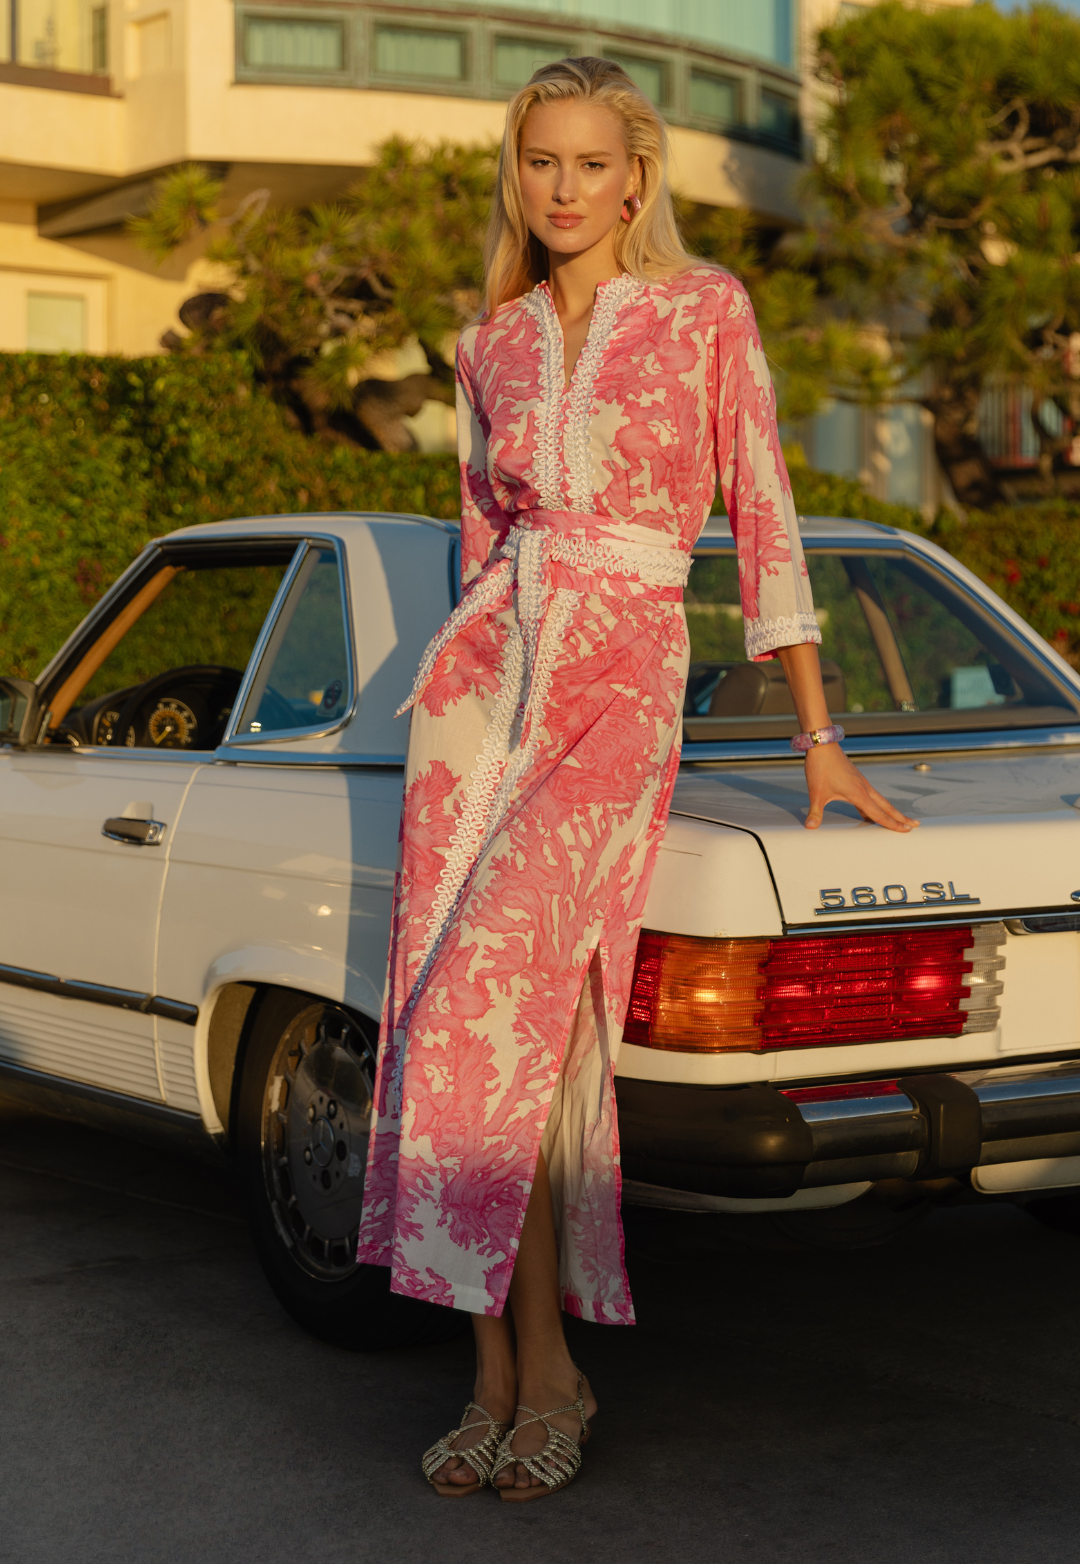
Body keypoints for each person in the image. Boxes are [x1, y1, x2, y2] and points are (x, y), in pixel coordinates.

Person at [356, 55, 917, 1503]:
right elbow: (478, 543)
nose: (563, 188)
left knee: (508, 1000)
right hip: (479, 692)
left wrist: (819, 736)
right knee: (458, 1028)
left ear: (636, 178)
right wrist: (460, 677)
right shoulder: (490, 341)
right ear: (518, 172)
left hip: (620, 676)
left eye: (591, 163)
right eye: (540, 161)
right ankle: (500, 1374)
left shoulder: (703, 309)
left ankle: (553, 1373)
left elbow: (765, 512)